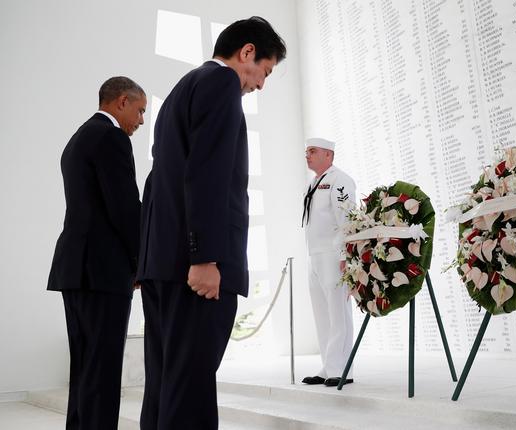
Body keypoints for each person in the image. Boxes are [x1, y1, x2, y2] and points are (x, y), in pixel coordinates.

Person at [136, 17, 285, 429]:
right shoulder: (220, 84)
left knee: (166, 384)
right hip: (193, 268)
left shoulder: (180, 92)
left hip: (163, 265)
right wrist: (206, 258)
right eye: (265, 72)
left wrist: (144, 260)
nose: (260, 84)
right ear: (247, 52)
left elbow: (158, 181)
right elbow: (208, 174)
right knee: (190, 390)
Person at [47, 76, 146, 429]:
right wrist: (141, 263)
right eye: (139, 110)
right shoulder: (111, 137)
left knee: (85, 368)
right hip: (103, 271)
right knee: (102, 373)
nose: (141, 121)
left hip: (74, 269)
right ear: (121, 102)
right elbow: (124, 209)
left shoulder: (77, 139)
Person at [301, 137, 356, 387]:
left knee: (338, 312)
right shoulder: (313, 183)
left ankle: (342, 368)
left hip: (334, 255)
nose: (307, 155)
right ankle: (328, 366)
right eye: (307, 152)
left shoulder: (339, 180)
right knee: (322, 312)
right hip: (315, 255)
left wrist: (347, 255)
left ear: (329, 155)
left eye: (313, 151)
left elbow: (346, 219)